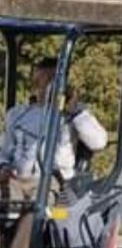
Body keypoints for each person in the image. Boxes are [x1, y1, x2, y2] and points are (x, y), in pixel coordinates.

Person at [3, 59, 106, 204]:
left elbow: (99, 142)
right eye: (41, 82)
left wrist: (73, 112)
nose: (47, 88)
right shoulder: (17, 114)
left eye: (52, 81)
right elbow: (5, 152)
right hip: (16, 180)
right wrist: (4, 167)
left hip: (53, 182)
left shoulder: (74, 112)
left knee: (36, 209)